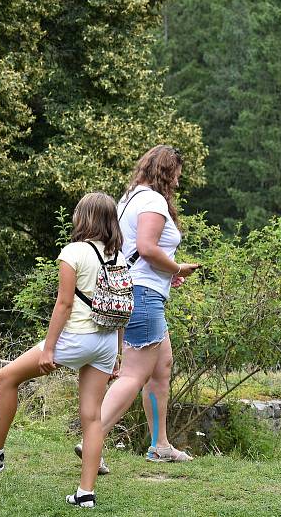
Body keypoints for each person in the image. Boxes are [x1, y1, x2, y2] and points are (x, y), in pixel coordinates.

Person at [0, 192, 126, 509]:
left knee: (7, 376)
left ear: (82, 217)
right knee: (92, 417)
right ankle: (85, 493)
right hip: (104, 342)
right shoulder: (118, 257)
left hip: (76, 338)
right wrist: (116, 353)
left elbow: (64, 303)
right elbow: (122, 307)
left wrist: (48, 349)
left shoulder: (73, 251)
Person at [82, 145, 199, 473]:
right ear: (165, 171)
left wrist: (166, 272)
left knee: (162, 366)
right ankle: (94, 437)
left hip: (133, 289)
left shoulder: (130, 198)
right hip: (143, 295)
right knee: (134, 373)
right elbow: (147, 249)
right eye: (176, 173)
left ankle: (159, 444)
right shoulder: (152, 200)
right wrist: (176, 268)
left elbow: (134, 249)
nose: (177, 181)